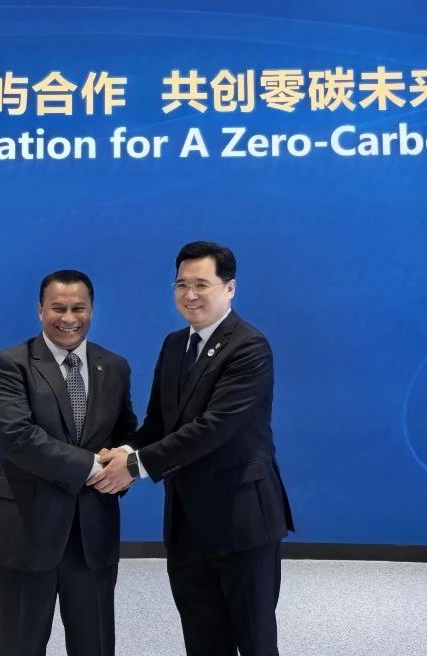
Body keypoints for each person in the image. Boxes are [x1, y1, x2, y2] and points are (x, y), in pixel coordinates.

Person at [90, 242, 294, 656]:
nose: (190, 294)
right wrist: (123, 450)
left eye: (202, 284)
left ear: (230, 288)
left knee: (255, 640)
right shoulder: (173, 345)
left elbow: (212, 429)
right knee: (202, 639)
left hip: (242, 521)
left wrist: (134, 465)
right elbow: (159, 424)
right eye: (181, 284)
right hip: (186, 523)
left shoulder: (249, 347)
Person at [0, 269, 138, 656]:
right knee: (21, 646)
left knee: (96, 646)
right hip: (24, 533)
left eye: (78, 308)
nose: (68, 318)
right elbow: (17, 437)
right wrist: (95, 467)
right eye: (57, 308)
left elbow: (126, 431)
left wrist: (127, 462)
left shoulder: (114, 366)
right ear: (40, 310)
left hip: (92, 535)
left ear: (92, 310)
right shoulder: (9, 364)